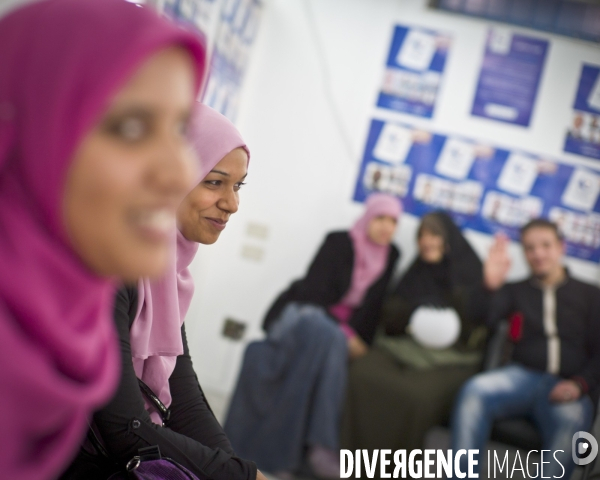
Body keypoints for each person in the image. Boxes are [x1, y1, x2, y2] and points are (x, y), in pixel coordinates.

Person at [0, 1, 206, 478]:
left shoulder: (69, 323)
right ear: (29, 132)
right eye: (130, 128)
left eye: (180, 130)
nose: (180, 172)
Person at [60, 104, 268, 480]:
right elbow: (124, 428)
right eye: (214, 182)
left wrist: (234, 469)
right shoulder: (112, 265)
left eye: (237, 186)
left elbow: (183, 395)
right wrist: (242, 475)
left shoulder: (165, 274)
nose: (232, 204)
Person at [225, 193, 402, 479]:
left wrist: (361, 340)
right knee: (328, 336)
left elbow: (374, 308)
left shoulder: (391, 255)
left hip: (331, 332)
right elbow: (313, 294)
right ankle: (321, 446)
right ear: (368, 217)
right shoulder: (339, 242)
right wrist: (346, 334)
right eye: (381, 218)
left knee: (326, 340)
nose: (387, 227)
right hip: (302, 313)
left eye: (394, 221)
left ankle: (294, 452)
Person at [451, 219, 600, 480]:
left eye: (545, 245)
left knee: (570, 424)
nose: (538, 254)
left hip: (569, 385)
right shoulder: (515, 291)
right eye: (530, 248)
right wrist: (489, 286)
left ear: (561, 247)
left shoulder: (590, 295)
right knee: (474, 391)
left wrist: (580, 384)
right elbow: (481, 318)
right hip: (520, 376)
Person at [341, 212, 489, 454]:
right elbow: (390, 316)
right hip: (403, 347)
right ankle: (351, 461)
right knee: (361, 374)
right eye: (422, 235)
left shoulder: (470, 273)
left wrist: (482, 291)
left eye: (434, 235)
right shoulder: (415, 272)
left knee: (416, 397)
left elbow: (477, 326)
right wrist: (413, 311)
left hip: (450, 360)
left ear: (449, 239)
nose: (426, 241)